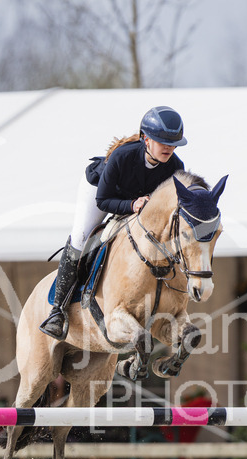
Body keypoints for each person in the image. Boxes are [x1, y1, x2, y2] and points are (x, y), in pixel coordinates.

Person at [40, 106, 187, 340]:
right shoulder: (123, 157)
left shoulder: (176, 168)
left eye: (173, 143)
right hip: (102, 192)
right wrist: (132, 205)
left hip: (139, 204)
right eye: (162, 141)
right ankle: (57, 311)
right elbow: (103, 200)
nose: (169, 147)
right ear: (146, 139)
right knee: (81, 236)